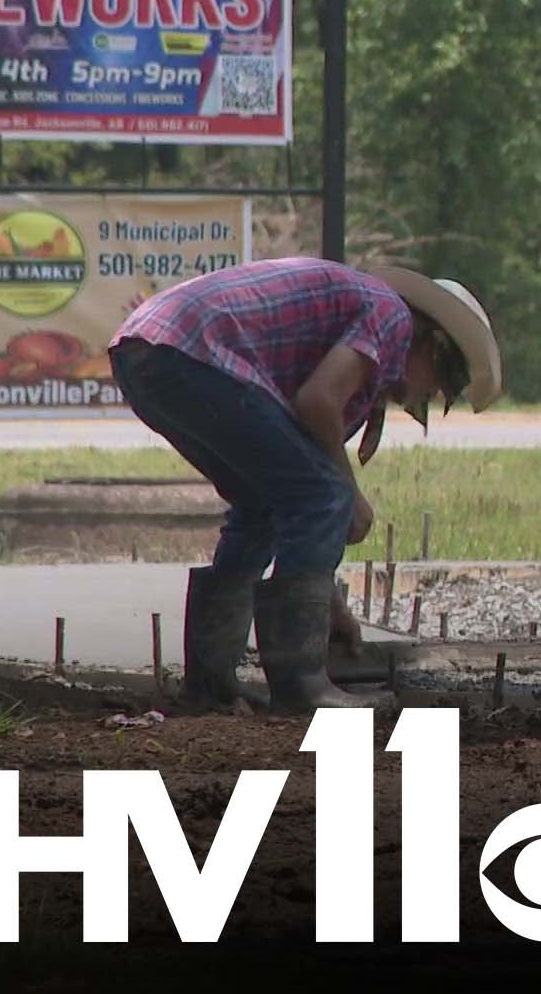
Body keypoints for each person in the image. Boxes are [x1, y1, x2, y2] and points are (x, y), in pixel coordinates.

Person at [108, 258, 502, 713]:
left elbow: (297, 500)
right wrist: (349, 494)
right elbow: (317, 404)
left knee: (262, 505)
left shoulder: (363, 344)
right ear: (433, 346)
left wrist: (329, 604)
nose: (428, 397)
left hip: (149, 352)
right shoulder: (392, 316)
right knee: (325, 494)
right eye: (440, 385)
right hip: (191, 348)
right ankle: (301, 686)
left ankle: (211, 682)